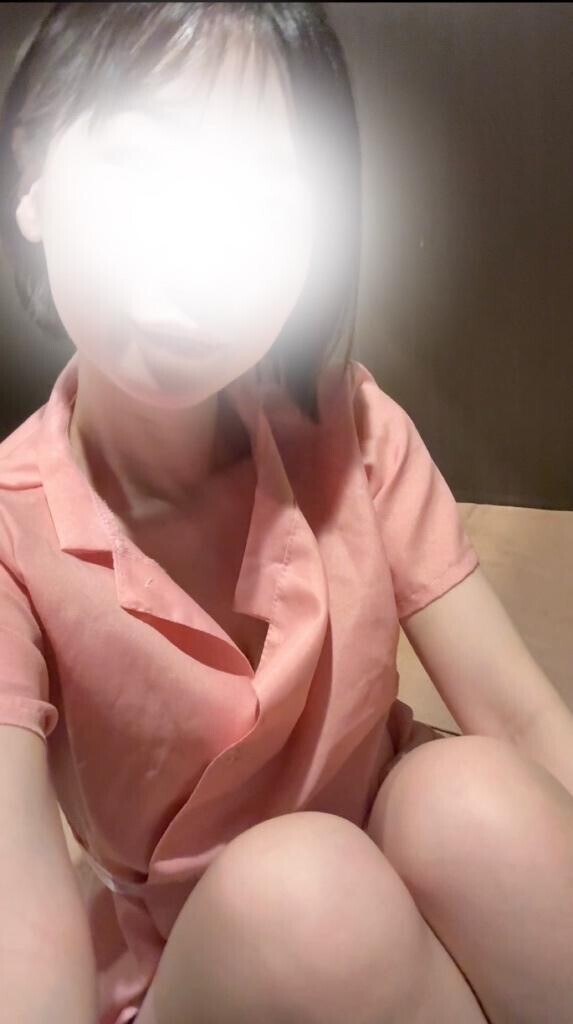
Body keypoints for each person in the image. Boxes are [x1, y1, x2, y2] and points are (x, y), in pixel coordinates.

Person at [1, 4, 572, 1023]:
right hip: (210, 962)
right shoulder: (11, 532)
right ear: (32, 178)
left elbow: (523, 715)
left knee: (469, 798)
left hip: (400, 860)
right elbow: (18, 912)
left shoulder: (349, 425)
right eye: (141, 161)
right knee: (304, 898)